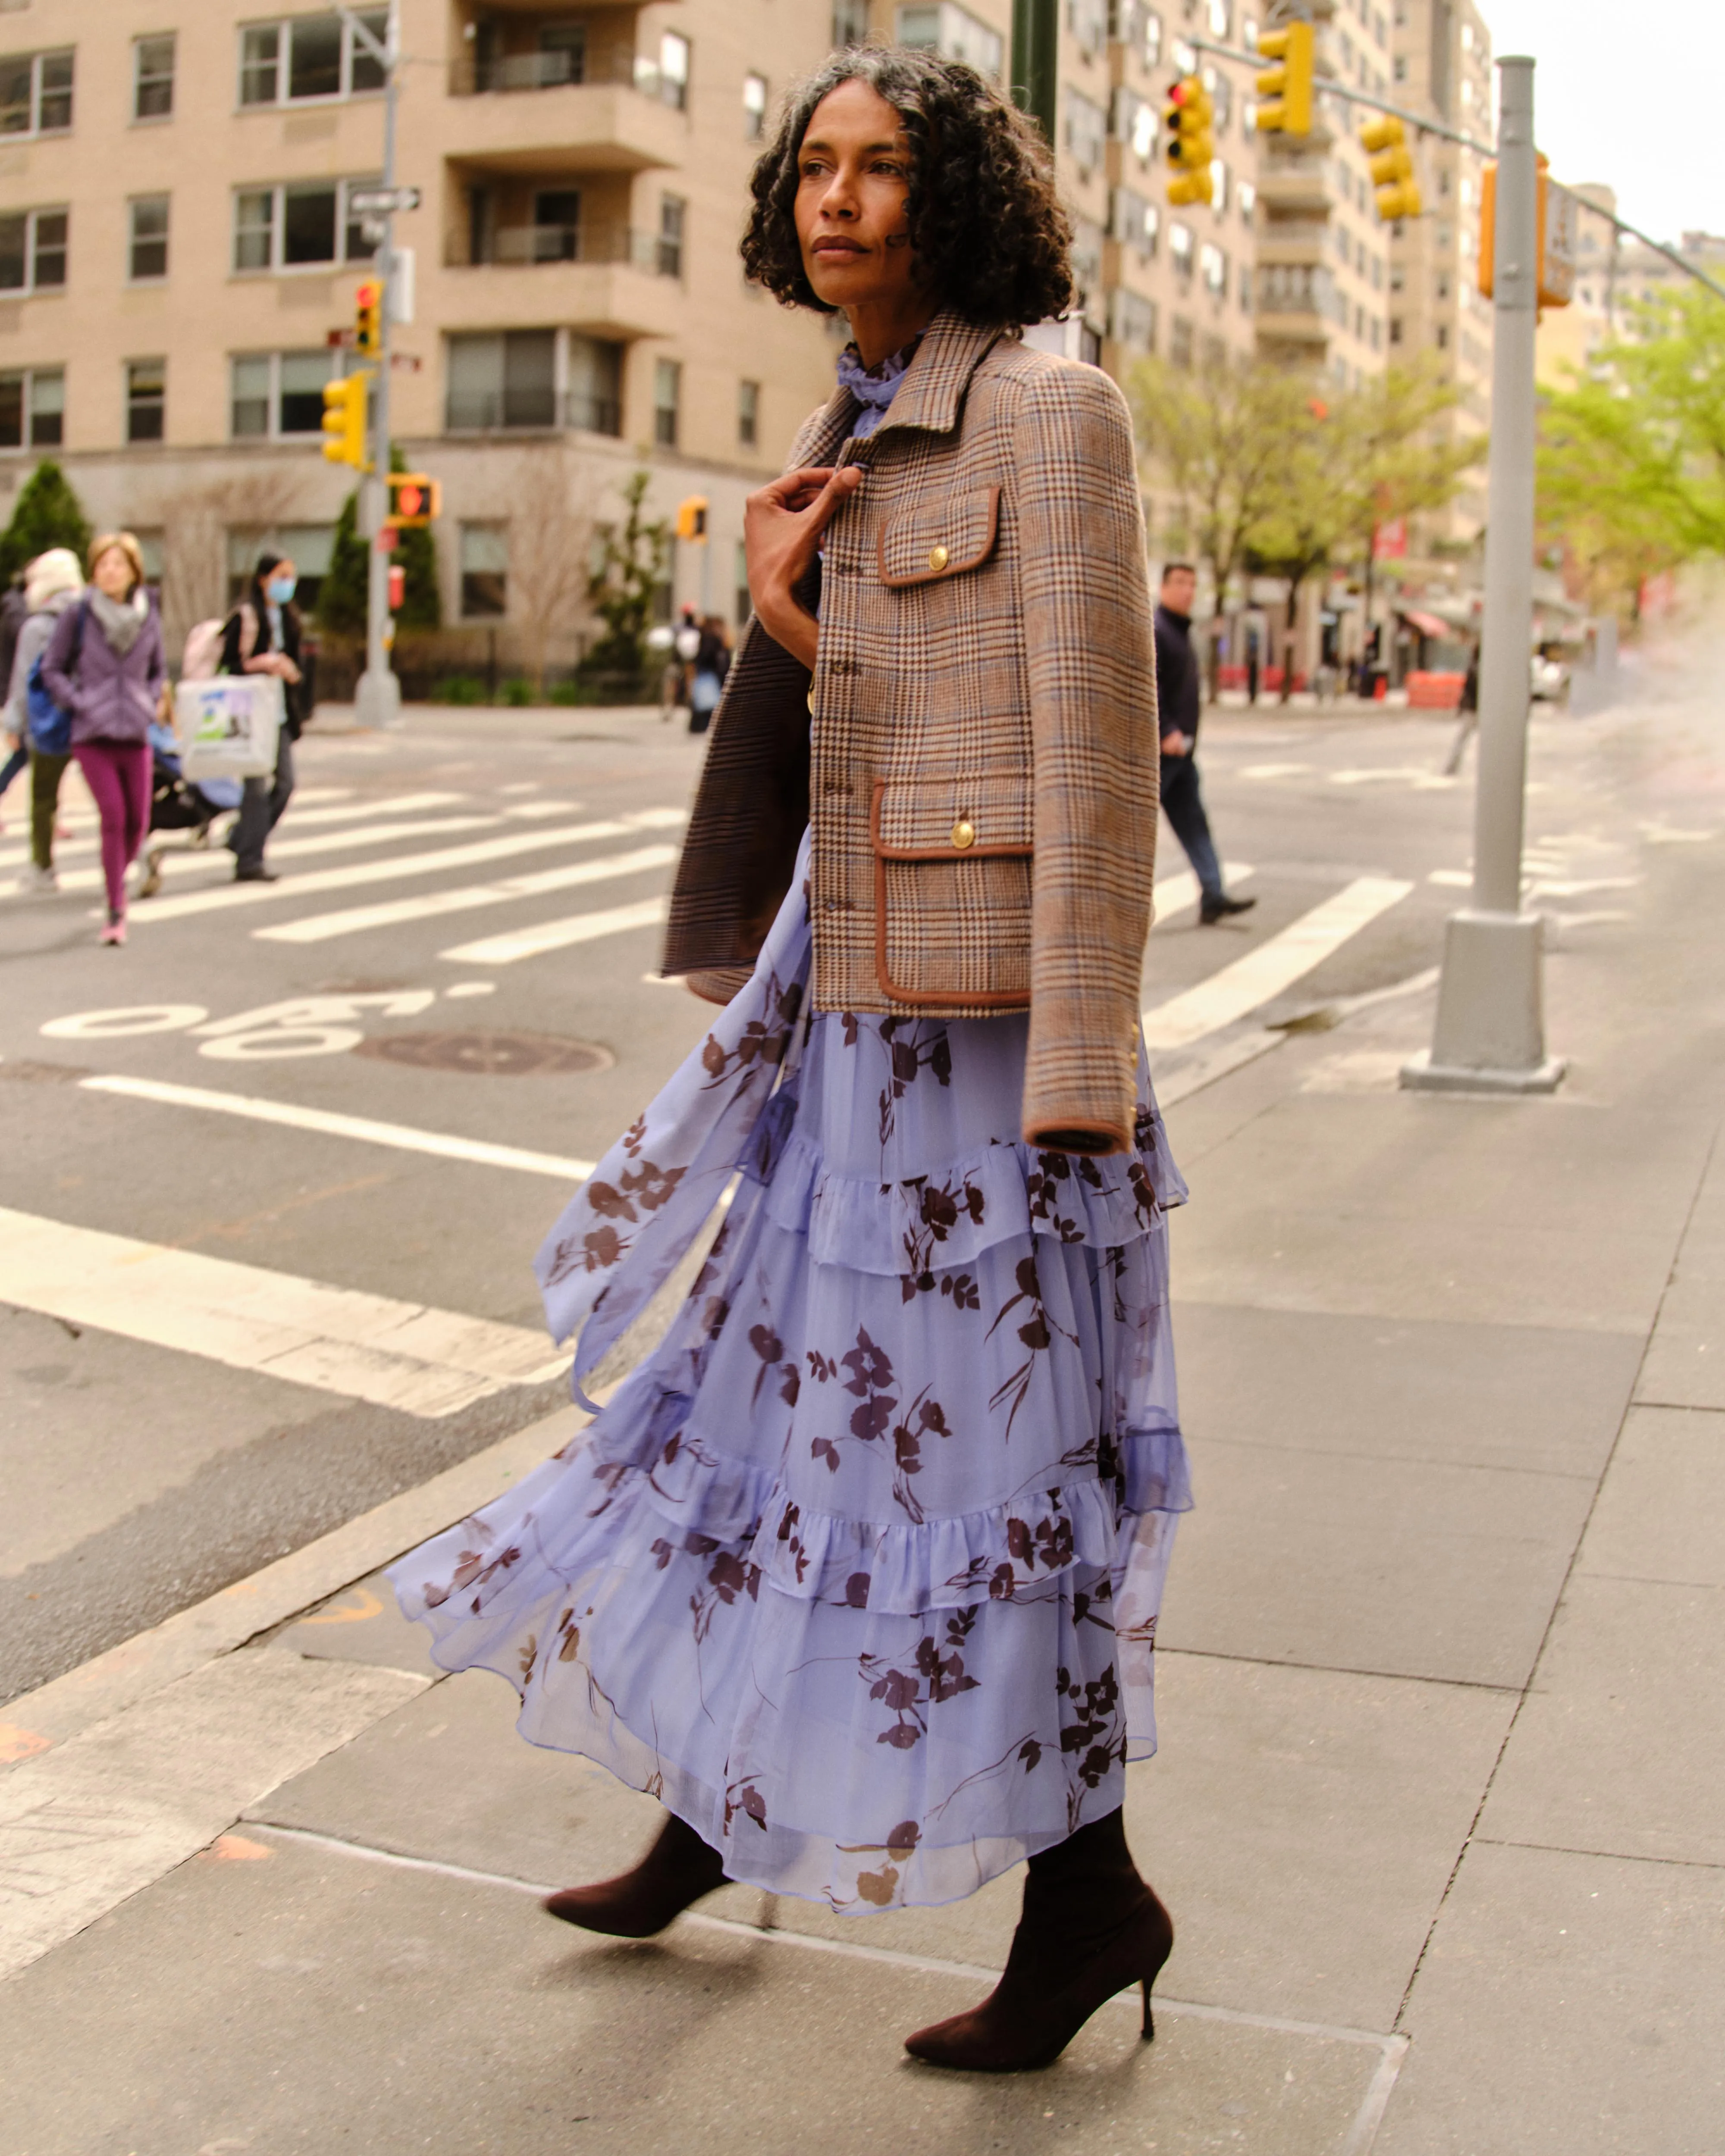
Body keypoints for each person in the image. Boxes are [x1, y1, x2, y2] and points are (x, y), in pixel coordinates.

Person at [391, 47, 1191, 2075]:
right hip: (848, 1034)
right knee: (775, 1423)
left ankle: (1087, 1895)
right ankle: (710, 1807)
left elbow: (1092, 757)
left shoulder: (1050, 411)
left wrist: (1077, 1072)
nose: (835, 198)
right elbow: (900, 713)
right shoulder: (855, 417)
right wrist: (785, 611)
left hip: (985, 1063)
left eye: (881, 167)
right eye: (813, 167)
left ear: (959, 201)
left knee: (986, 1480)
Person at [41, 532, 165, 944]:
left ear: (134, 572)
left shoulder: (149, 614)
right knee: (113, 817)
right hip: (92, 734)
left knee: (138, 822)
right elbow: (52, 669)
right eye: (103, 564)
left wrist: (149, 700)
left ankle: (117, 875)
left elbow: (158, 670)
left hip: (136, 731)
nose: (110, 572)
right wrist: (80, 702)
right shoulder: (77, 615)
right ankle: (116, 909)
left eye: (118, 564)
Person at [1154, 562, 1255, 926]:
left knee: (1195, 825)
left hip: (1183, 753)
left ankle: (1213, 894)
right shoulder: (1158, 629)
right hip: (1164, 751)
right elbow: (1151, 684)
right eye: (1180, 583)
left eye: (1192, 584)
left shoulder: (1181, 630)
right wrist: (1166, 730)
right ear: (1163, 587)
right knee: (1135, 829)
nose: (1188, 591)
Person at [221, 550, 305, 884]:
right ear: (263, 579)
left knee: (286, 784)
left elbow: (298, 667)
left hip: (279, 713)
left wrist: (290, 671)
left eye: (291, 577)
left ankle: (242, 837)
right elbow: (229, 665)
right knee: (255, 789)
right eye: (281, 576)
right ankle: (250, 860)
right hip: (251, 713)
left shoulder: (289, 618)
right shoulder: (246, 616)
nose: (287, 584)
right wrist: (260, 664)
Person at [3, 548, 82, 886]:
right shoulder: (90, 619)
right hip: (90, 719)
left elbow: (24, 680)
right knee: (107, 795)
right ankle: (133, 855)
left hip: (49, 723)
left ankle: (43, 867)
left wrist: (14, 723)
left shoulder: (37, 627)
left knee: (44, 799)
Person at [687, 612, 730, 735]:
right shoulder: (714, 640)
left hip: (705, 674)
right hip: (711, 676)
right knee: (709, 705)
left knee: (703, 704)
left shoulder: (703, 638)